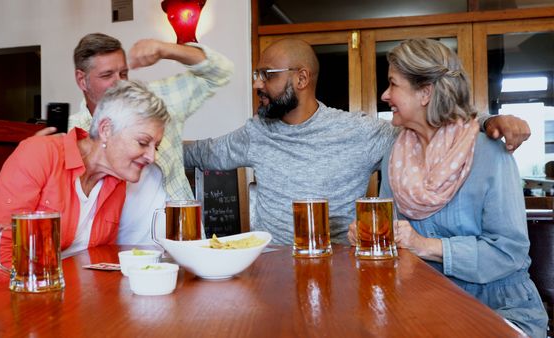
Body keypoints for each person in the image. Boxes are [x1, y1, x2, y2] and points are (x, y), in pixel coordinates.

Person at [183, 38, 531, 245]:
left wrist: (488, 121)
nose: (258, 84)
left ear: (301, 78)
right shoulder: (255, 133)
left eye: (267, 76)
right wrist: (145, 142)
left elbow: (435, 127)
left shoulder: (363, 132)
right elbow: (201, 153)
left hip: (344, 271)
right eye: (257, 75)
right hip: (272, 268)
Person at [347, 38, 547, 337]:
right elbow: (393, 239)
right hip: (423, 304)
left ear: (426, 92)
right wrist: (370, 237)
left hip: (499, 309)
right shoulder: (394, 154)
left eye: (393, 84)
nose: (385, 94)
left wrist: (423, 244)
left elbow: (510, 253)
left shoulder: (488, 151)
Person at [0, 80, 170, 314]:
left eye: (155, 147)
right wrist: (59, 298)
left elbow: (93, 257)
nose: (151, 157)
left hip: (49, 300)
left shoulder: (116, 181)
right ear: (105, 130)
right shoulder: (40, 154)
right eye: (142, 142)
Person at [68, 33, 233, 244]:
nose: (119, 83)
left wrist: (166, 49)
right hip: (114, 258)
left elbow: (221, 72)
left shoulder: (158, 102)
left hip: (182, 244)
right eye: (107, 75)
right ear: (82, 80)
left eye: (124, 73)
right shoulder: (73, 133)